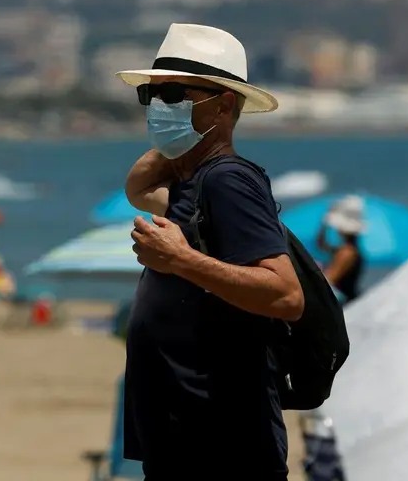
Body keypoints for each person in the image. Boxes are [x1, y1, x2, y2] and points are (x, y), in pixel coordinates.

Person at [117, 24, 304, 480]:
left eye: (176, 94)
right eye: (152, 95)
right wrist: (176, 142)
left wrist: (181, 260)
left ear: (223, 103)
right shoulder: (196, 181)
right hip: (185, 436)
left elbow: (285, 295)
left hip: (223, 443)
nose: (161, 107)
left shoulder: (228, 181)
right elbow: (138, 188)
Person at [316, 195, 366, 303]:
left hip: (345, 303)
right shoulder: (349, 249)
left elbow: (329, 279)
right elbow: (321, 244)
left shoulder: (347, 252)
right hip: (350, 298)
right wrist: (324, 225)